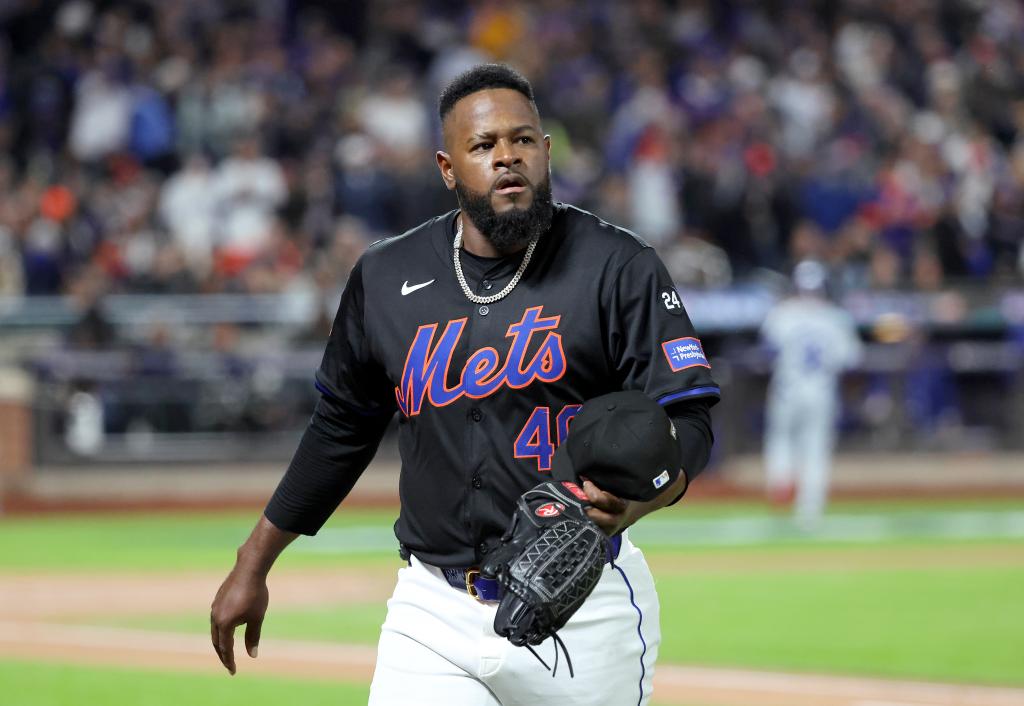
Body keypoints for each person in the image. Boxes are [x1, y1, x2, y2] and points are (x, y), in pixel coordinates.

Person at [210, 64, 720, 706]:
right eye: (484, 146)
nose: (507, 157)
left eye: (522, 140)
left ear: (547, 150)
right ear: (448, 168)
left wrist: (641, 501)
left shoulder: (617, 265)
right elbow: (341, 429)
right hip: (432, 612)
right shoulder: (386, 276)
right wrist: (253, 561)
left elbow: (690, 417)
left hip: (583, 606)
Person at [761, 260, 863, 529]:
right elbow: (851, 359)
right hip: (821, 391)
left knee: (781, 439)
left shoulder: (781, 314)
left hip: (787, 389)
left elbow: (767, 352)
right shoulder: (836, 318)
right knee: (816, 448)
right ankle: (809, 509)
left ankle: (781, 488)